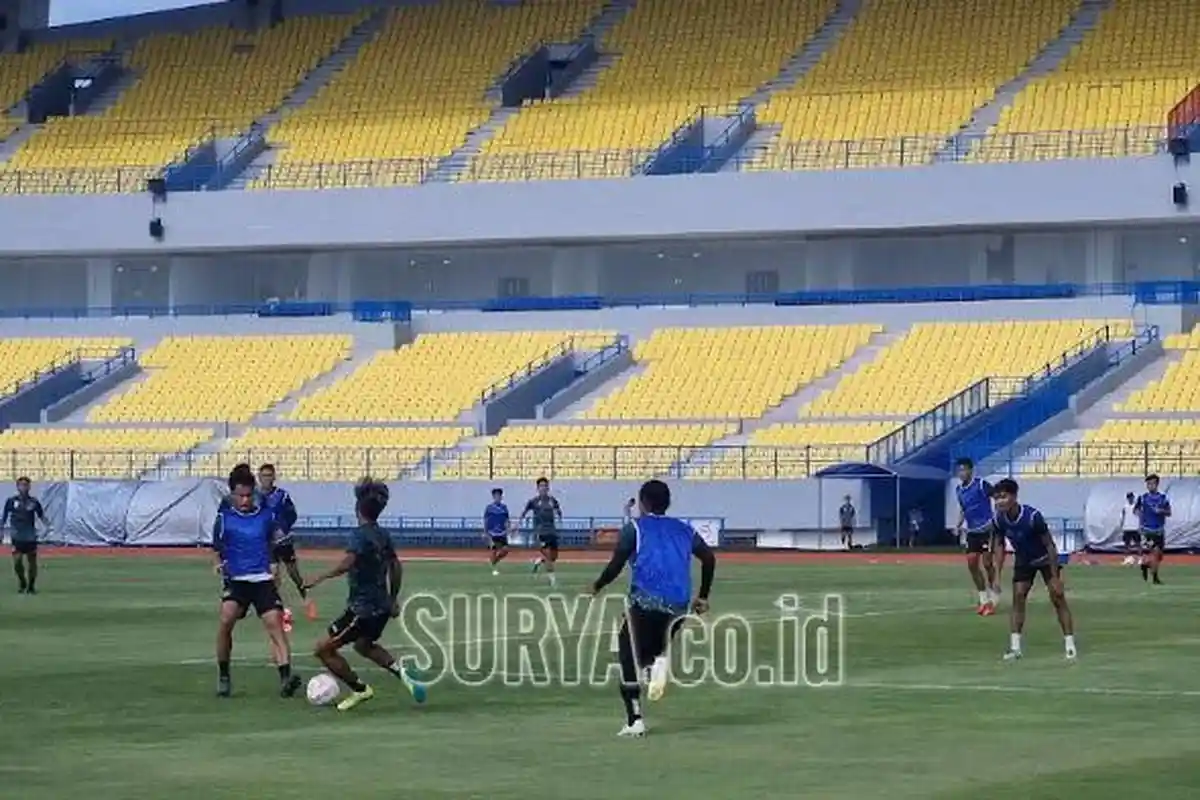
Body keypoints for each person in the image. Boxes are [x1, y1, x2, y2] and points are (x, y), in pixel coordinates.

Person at [586, 479, 716, 738]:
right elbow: (709, 558)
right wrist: (702, 596)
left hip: (645, 604)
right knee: (648, 651)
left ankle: (635, 719)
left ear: (643, 503)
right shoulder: (684, 529)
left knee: (626, 656)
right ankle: (657, 661)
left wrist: (596, 586)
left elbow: (616, 565)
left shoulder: (634, 528)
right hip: (678, 607)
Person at [304, 477, 426, 712]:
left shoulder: (359, 535)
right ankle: (403, 673)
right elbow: (396, 565)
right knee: (364, 645)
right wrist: (393, 597)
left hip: (362, 609)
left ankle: (360, 689)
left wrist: (319, 577)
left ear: (357, 507)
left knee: (323, 649)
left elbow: (348, 562)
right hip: (381, 607)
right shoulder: (383, 535)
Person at [212, 466, 301, 698]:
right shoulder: (224, 518)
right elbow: (218, 546)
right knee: (226, 618)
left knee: (275, 623)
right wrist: (219, 562)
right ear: (232, 494)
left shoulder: (266, 515)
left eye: (248, 495)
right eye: (240, 495)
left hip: (262, 579)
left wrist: (275, 564)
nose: (244, 500)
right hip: (238, 580)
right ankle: (223, 675)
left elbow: (277, 540)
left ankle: (285, 678)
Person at [989, 478, 1076, 662]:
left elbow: (1050, 546)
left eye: (1003, 497)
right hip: (1023, 560)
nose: (999, 502)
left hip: (1044, 559)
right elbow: (998, 546)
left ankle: (1070, 646)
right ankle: (1015, 648)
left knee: (1057, 598)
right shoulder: (998, 519)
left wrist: (1055, 577)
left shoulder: (1032, 517)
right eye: (996, 498)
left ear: (1014, 497)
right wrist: (996, 577)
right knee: (1018, 598)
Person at [257, 463, 311, 626]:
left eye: (269, 475)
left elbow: (292, 514)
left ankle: (307, 599)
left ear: (274, 477)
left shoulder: (282, 496)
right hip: (267, 542)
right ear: (259, 477)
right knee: (274, 575)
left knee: (294, 573)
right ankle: (278, 609)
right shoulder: (255, 497)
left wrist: (283, 528)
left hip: (283, 541)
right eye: (263, 476)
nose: (266, 479)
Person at [954, 458, 1000, 616]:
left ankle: (994, 595)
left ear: (971, 470)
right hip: (972, 531)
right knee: (972, 563)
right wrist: (958, 525)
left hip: (987, 529)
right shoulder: (959, 490)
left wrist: (997, 518)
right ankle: (983, 599)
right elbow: (963, 509)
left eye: (964, 470)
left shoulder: (981, 484)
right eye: (959, 470)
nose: (961, 473)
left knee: (987, 563)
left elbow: (998, 497)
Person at [3, 477, 47, 594]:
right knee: (17, 562)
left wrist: (48, 526)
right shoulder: (11, 501)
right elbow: (4, 517)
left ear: (29, 487)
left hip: (30, 536)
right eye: (21, 485)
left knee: (32, 561)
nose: (24, 487)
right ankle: (22, 581)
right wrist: (1, 531)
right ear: (17, 487)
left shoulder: (34, 502)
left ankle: (31, 586)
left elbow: (41, 516)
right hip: (17, 535)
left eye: (26, 485)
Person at [522, 477, 562, 587]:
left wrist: (559, 516)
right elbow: (524, 512)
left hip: (552, 532)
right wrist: (517, 525)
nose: (543, 488)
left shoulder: (552, 500)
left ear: (548, 488)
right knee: (549, 556)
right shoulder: (534, 501)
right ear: (537, 488)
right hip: (540, 533)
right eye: (541, 486)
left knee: (554, 557)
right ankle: (553, 581)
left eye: (545, 486)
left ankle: (539, 561)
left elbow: (558, 511)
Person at [1135, 474, 1171, 584]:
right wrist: (1141, 518)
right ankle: (1155, 579)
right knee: (1155, 553)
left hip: (1159, 531)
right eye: (1148, 484)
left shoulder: (1163, 498)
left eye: (1152, 484)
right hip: (1147, 531)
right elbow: (1136, 510)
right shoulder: (1143, 498)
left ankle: (1146, 565)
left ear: (1157, 484)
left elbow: (1169, 512)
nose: (1150, 486)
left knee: (1159, 556)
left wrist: (1161, 511)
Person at [484, 487, 510, 576]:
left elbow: (507, 520)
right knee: (493, 550)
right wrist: (486, 532)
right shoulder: (489, 508)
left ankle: (495, 561)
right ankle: (494, 569)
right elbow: (486, 520)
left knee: (505, 550)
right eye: (495, 496)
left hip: (502, 533)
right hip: (492, 533)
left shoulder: (504, 508)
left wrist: (508, 529)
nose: (497, 497)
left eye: (499, 496)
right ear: (493, 497)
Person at [1119, 491, 1141, 566]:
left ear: (1133, 498)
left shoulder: (1136, 506)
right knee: (1127, 545)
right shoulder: (1125, 507)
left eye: (1131, 497)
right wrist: (1122, 526)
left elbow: (1140, 516)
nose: (1130, 499)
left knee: (1138, 544)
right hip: (1127, 528)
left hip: (1135, 528)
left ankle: (1140, 559)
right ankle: (1127, 559)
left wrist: (1140, 526)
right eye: (1129, 497)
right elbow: (1123, 516)